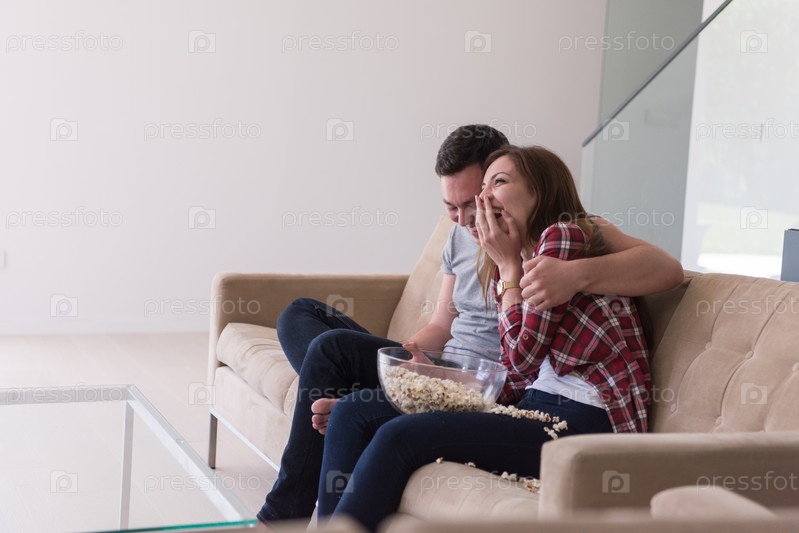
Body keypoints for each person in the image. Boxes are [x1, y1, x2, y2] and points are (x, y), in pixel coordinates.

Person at [258, 127, 682, 524]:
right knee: (349, 404)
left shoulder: (564, 236)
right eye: (459, 203)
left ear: (537, 189)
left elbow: (518, 361)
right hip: (524, 398)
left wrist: (554, 274)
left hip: (576, 415)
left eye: (497, 183)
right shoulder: (497, 253)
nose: (474, 208)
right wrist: (409, 367)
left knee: (396, 434)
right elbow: (462, 335)